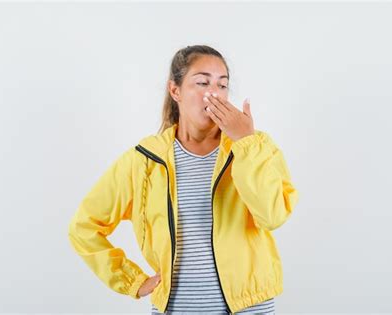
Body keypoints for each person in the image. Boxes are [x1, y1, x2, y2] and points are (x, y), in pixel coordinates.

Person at [68, 45, 299, 315]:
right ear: (175, 90)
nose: (214, 93)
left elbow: (272, 216)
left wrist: (245, 142)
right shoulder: (143, 160)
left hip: (249, 309)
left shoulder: (255, 146)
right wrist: (132, 281)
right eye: (202, 82)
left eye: (222, 85)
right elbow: (84, 227)